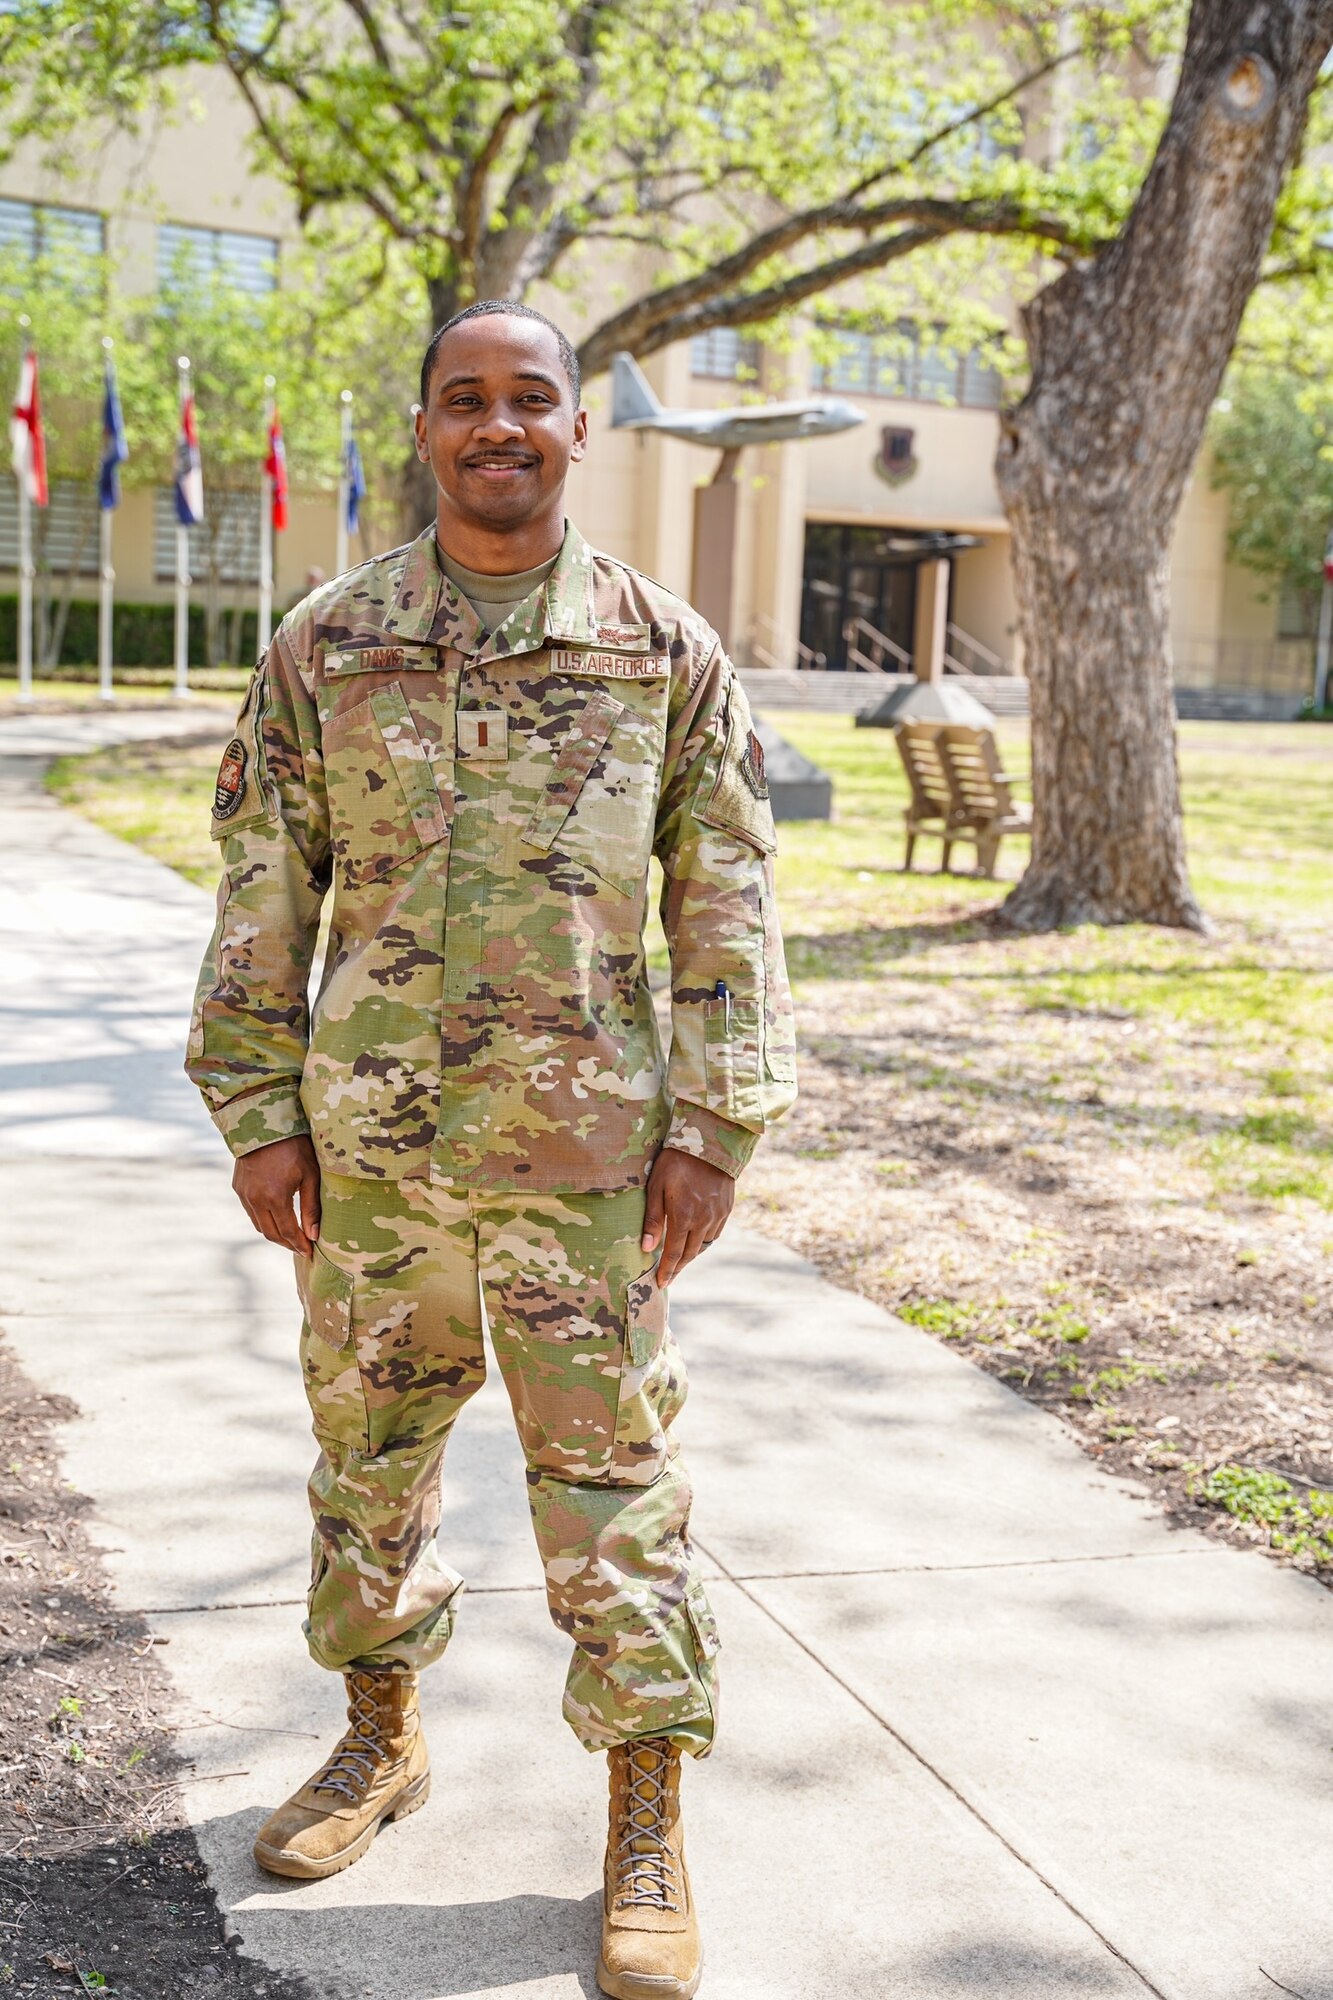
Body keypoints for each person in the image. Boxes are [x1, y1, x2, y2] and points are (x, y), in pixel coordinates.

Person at [185, 300, 796, 2000]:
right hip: (373, 1156)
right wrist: (255, 1108)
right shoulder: (329, 642)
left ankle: (645, 1818)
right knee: (366, 1467)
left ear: (579, 431)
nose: (500, 425)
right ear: (428, 426)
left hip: (587, 1167)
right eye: (469, 399)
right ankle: (379, 1742)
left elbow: (727, 899)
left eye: (533, 398)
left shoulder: (659, 648)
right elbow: (264, 888)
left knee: (614, 1497)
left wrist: (713, 1126)